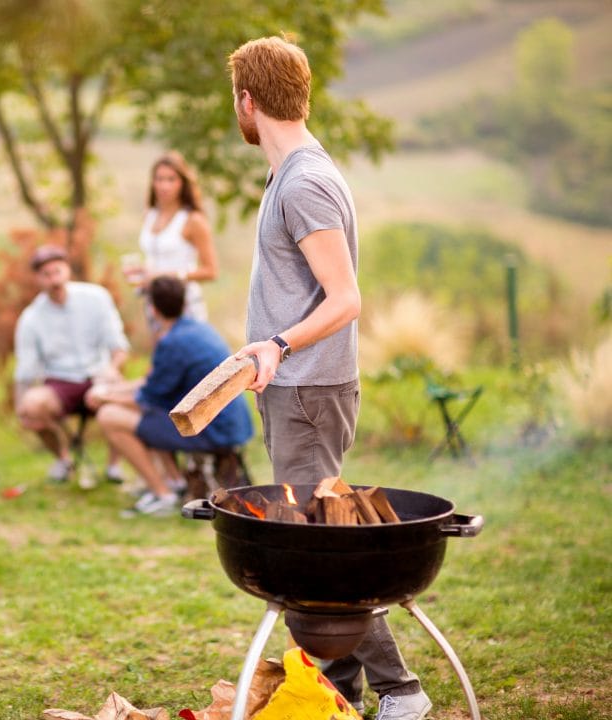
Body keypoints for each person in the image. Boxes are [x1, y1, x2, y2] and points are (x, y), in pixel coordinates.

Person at [228, 37, 430, 719]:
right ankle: (338, 690)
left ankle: (402, 691)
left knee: (319, 553)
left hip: (310, 390)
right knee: (315, 544)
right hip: (295, 387)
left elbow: (345, 298)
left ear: (247, 101)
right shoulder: (290, 174)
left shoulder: (307, 182)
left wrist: (278, 344)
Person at [87, 276, 253, 516]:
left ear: (152, 309)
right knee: (136, 413)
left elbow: (145, 399)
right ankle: (174, 483)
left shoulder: (171, 342)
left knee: (109, 416)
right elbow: (151, 386)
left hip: (212, 430)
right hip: (227, 423)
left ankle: (162, 494)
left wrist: (105, 398)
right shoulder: (197, 329)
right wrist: (112, 391)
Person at [14, 244, 130, 484]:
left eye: (57, 271)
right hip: (59, 383)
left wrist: (110, 371)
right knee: (31, 407)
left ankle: (114, 466)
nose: (53, 280)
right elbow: (26, 370)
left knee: (122, 396)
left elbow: (119, 348)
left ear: (67, 270)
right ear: (38, 279)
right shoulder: (31, 318)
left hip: (99, 374)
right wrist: (21, 405)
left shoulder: (96, 298)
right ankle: (63, 460)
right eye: (46, 275)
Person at [123, 151, 218, 328]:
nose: (164, 186)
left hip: (184, 305)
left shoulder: (193, 220)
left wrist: (166, 275)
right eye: (159, 179)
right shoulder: (150, 215)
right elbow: (156, 259)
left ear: (182, 183)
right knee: (162, 354)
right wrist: (143, 271)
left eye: (171, 179)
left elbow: (211, 271)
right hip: (154, 304)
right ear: (152, 182)